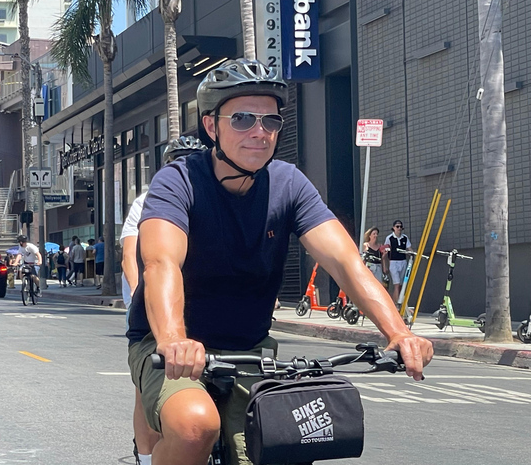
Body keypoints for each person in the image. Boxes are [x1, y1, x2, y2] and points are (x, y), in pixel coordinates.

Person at [126, 59, 433, 465]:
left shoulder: (289, 182)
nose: (259, 132)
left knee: (281, 444)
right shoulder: (179, 180)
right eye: (243, 119)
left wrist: (399, 333)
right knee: (194, 424)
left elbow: (345, 262)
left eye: (270, 121)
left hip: (251, 349)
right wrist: (172, 340)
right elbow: (162, 263)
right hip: (167, 345)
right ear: (211, 126)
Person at [120, 136, 207, 465]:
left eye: (193, 160)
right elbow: (131, 254)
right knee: (150, 381)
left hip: (205, 307)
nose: (185, 167)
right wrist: (137, 291)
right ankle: (146, 457)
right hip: (156, 304)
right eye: (178, 161)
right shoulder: (149, 199)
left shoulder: (214, 195)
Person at [383, 220, 414, 306]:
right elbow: (385, 251)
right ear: (393, 228)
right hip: (393, 262)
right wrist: (385, 265)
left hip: (403, 261)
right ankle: (397, 305)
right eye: (397, 226)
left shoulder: (405, 238)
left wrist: (413, 254)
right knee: (396, 284)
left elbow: (409, 248)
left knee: (400, 285)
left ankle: (397, 303)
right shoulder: (389, 238)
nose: (399, 228)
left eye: (400, 227)